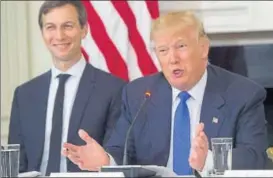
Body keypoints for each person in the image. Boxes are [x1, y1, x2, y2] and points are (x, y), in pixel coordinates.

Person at [62, 10, 268, 175]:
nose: (173, 58)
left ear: (204, 48)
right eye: (163, 50)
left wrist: (211, 161)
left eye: (181, 46)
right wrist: (106, 161)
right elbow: (121, 151)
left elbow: (255, 157)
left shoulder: (243, 94)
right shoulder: (138, 94)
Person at [8, 1, 126, 176]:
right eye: (50, 27)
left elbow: (117, 157)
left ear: (84, 29)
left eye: (68, 26)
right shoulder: (24, 94)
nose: (59, 35)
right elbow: (15, 163)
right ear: (42, 33)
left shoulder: (114, 89)